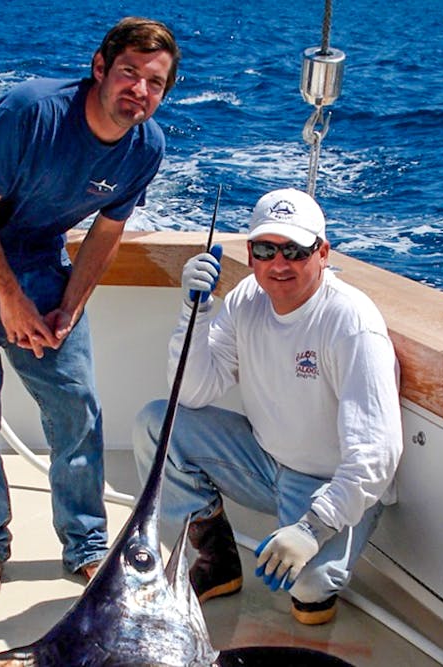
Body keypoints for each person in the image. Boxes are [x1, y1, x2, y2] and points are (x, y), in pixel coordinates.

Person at [0, 17, 181, 600]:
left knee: (77, 410)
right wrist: (10, 299)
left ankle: (87, 544)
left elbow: (105, 233)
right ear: (99, 69)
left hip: (42, 263)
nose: (139, 90)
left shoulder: (146, 148)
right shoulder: (31, 113)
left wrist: (69, 306)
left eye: (155, 82)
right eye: (128, 73)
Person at [132, 188, 402, 624]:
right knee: (154, 425)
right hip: (264, 461)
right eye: (265, 249)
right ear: (252, 255)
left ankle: (321, 542)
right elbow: (194, 392)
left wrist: (312, 529)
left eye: (295, 250)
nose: (279, 264)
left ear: (323, 252)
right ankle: (217, 559)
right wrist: (193, 312)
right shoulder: (245, 300)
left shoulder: (351, 323)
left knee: (308, 592)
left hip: (330, 481)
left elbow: (376, 456)